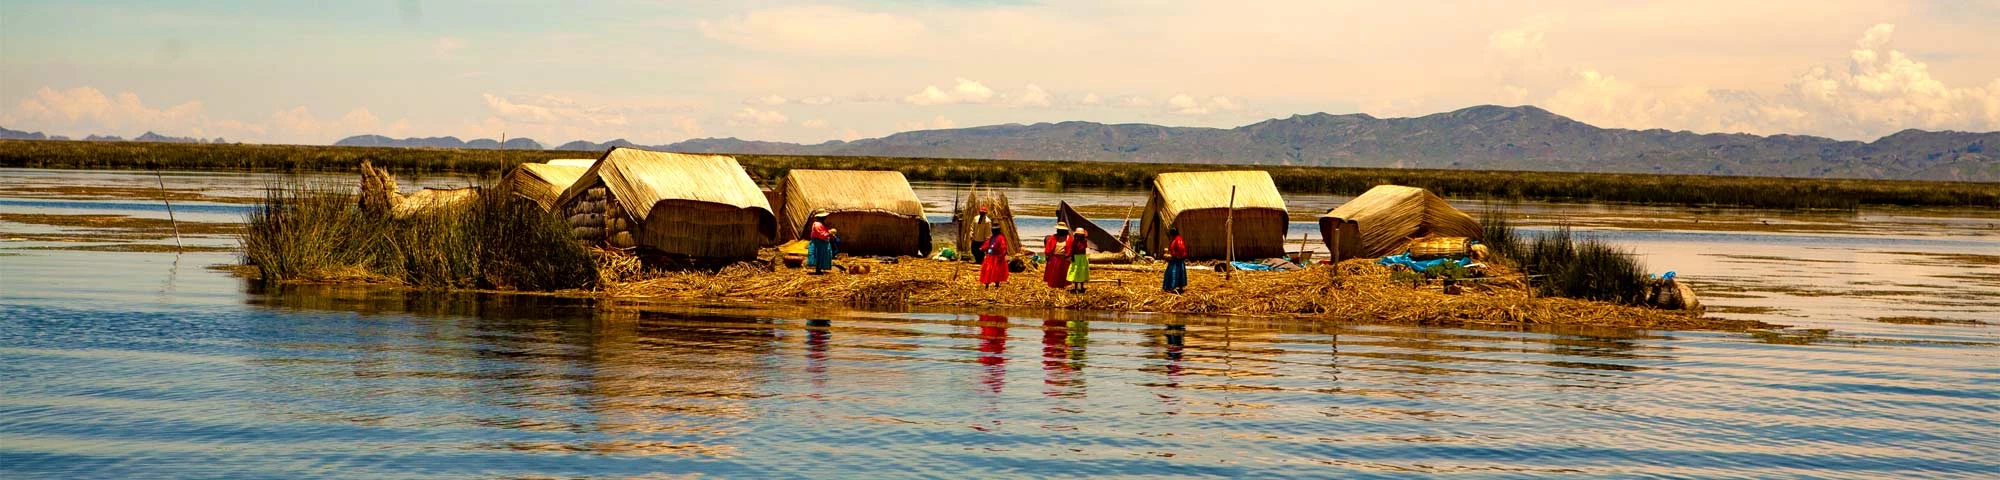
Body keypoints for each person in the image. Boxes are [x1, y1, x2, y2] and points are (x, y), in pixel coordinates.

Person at [1042, 222, 1071, 289]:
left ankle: (1062, 286)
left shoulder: (1068, 238)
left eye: (1061, 230)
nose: (1059, 231)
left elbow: (1071, 248)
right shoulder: (1053, 238)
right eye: (1059, 230)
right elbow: (1048, 248)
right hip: (1055, 257)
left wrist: (1069, 255)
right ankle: (1053, 286)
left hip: (1064, 258)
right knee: (1054, 272)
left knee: (1063, 273)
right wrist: (1048, 255)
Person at [1161, 226, 1188, 294]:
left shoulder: (1178, 240)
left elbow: (1181, 249)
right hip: (1176, 259)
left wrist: (1175, 255)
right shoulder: (1176, 239)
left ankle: (1171, 287)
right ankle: (1177, 287)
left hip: (1176, 260)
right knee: (1178, 273)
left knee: (1173, 273)